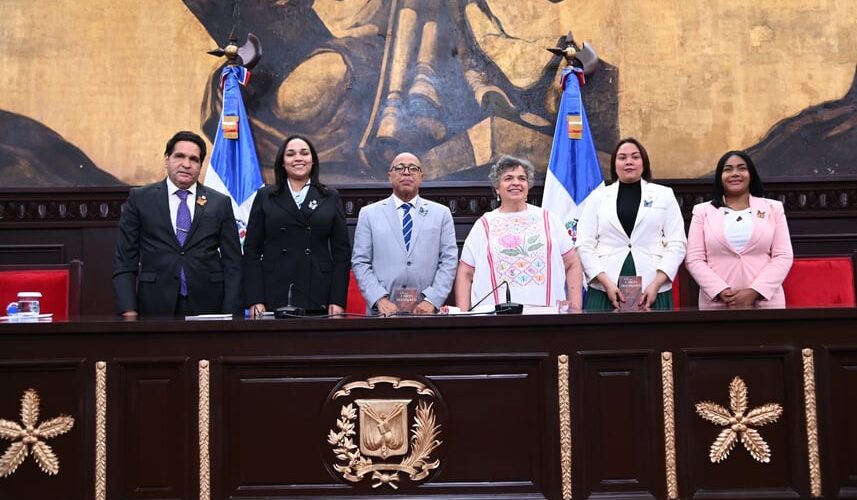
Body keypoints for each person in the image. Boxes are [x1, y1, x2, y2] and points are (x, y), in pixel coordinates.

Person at [113, 131, 243, 317]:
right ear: (167, 159)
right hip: (155, 303)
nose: (186, 164)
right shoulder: (140, 199)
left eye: (194, 159)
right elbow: (125, 259)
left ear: (200, 165)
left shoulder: (219, 203)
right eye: (179, 156)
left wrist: (230, 311)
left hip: (208, 304)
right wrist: (128, 309)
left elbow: (233, 263)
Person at [455, 155, 584, 311]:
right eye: (508, 178)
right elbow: (465, 273)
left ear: (528, 186)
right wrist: (462, 315)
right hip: (495, 321)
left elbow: (572, 263)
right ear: (497, 187)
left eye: (522, 178)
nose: (516, 183)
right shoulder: (484, 224)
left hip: (547, 317)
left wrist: (576, 306)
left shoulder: (548, 219)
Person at [243, 135, 350, 316]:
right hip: (274, 290)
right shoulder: (265, 195)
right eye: (291, 154)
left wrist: (337, 299)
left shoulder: (330, 196)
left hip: (317, 290)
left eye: (304, 153)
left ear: (313, 161)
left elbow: (342, 253)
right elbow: (251, 250)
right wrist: (255, 298)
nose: (298, 158)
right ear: (282, 163)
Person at [576, 138, 686, 311]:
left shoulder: (664, 195)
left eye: (635, 157)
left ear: (644, 162)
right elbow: (583, 244)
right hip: (606, 286)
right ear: (614, 164)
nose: (629, 162)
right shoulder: (598, 197)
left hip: (652, 286)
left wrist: (657, 283)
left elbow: (677, 243)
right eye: (622, 157)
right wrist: (605, 282)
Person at [351, 152, 458, 315]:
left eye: (413, 168)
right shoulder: (369, 214)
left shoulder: (441, 214)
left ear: (421, 177)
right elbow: (360, 262)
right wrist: (379, 299)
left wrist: (432, 300)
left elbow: (449, 260)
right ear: (390, 176)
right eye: (399, 168)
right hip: (382, 313)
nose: (406, 172)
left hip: (425, 311)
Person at [685, 150, 793, 308]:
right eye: (727, 169)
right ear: (719, 178)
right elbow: (694, 259)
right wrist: (721, 291)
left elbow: (783, 256)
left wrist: (755, 291)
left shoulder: (773, 208)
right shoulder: (702, 211)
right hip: (719, 303)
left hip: (765, 302)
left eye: (742, 168)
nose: (734, 173)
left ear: (751, 174)